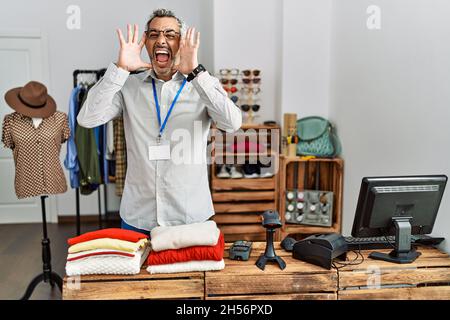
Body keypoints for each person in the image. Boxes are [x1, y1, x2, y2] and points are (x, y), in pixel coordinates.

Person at [77, 8, 242, 236]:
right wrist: (120, 69)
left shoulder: (202, 84)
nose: (161, 40)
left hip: (188, 215)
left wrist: (195, 72)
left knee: (188, 274)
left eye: (170, 34)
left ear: (181, 43)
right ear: (146, 43)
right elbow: (86, 119)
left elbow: (232, 123)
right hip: (138, 216)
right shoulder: (128, 86)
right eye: (154, 34)